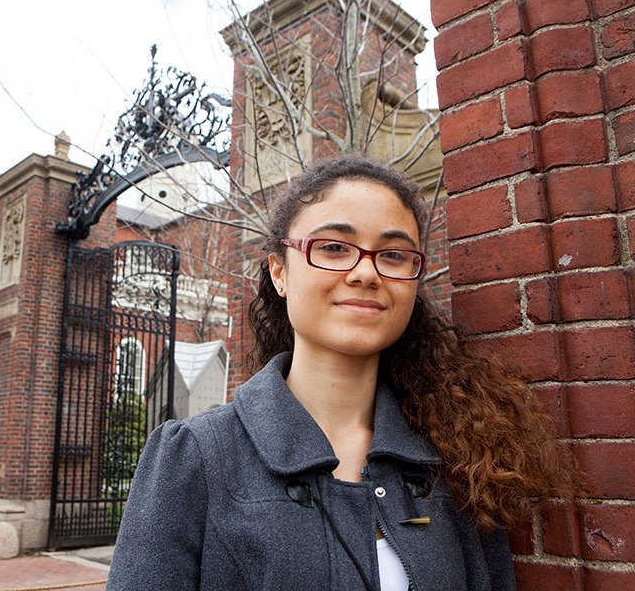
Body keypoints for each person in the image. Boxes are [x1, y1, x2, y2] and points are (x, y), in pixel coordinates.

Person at [107, 155, 566, 590]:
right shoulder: (196, 458)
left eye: (392, 255)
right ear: (279, 272)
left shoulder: (458, 459)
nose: (366, 273)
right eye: (332, 248)